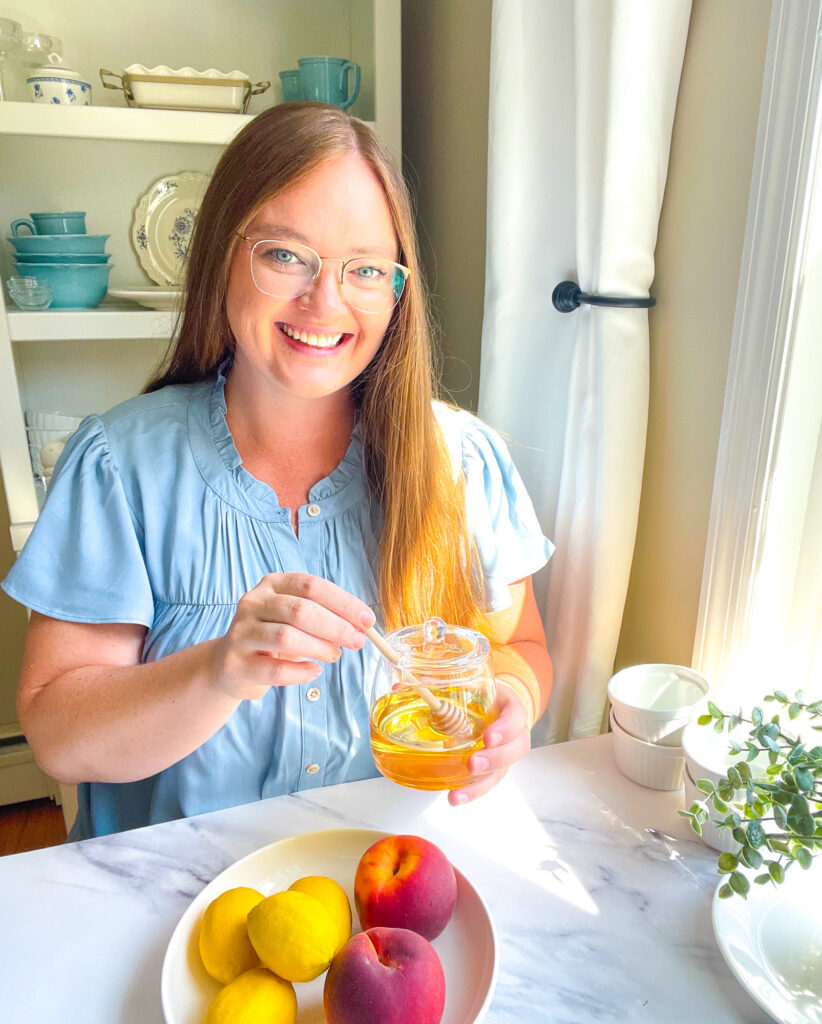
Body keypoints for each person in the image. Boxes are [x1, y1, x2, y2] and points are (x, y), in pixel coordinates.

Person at [2, 102, 554, 841]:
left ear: (397, 290)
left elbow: (519, 652)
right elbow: (61, 737)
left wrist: (511, 706)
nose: (324, 301)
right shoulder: (118, 469)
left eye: (364, 269)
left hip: (386, 891)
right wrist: (220, 671)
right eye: (285, 255)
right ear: (221, 255)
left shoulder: (463, 462)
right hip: (169, 912)